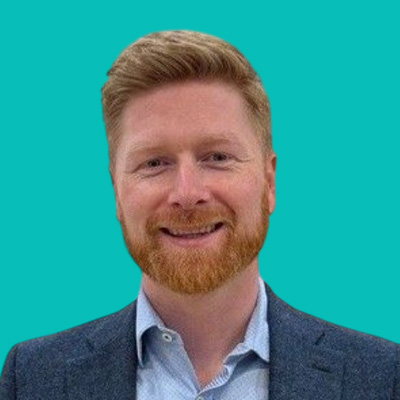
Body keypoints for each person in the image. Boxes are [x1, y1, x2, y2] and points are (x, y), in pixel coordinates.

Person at [0, 30, 399, 400]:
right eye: (154, 163)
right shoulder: (31, 379)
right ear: (117, 193)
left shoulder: (382, 377)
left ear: (269, 182)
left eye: (217, 157)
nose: (187, 194)